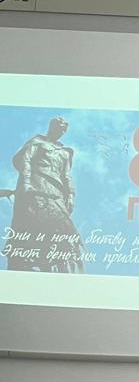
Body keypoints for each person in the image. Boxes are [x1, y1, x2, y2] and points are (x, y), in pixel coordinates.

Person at [4, 116, 83, 273]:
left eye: (64, 131)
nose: (61, 132)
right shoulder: (37, 143)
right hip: (37, 185)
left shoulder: (65, 152)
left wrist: (71, 195)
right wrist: (26, 183)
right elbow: (25, 162)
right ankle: (27, 256)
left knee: (63, 228)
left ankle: (58, 261)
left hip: (57, 192)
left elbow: (67, 175)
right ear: (52, 127)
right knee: (32, 219)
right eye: (59, 129)